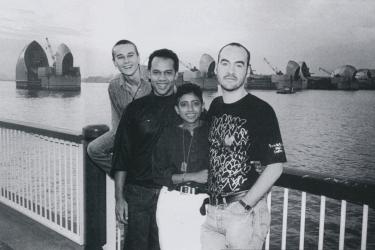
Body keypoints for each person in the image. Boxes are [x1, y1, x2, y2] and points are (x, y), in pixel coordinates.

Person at [201, 42, 287, 250]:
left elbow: (275, 166)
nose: (231, 71)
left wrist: (243, 205)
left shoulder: (261, 110)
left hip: (243, 214)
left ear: (247, 70)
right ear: (217, 68)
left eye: (239, 65)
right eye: (225, 63)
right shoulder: (215, 106)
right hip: (213, 213)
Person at [110, 48, 181, 250]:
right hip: (139, 193)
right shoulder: (135, 109)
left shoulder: (187, 108)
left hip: (172, 193)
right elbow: (122, 155)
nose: (162, 78)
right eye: (156, 72)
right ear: (148, 74)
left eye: (168, 73)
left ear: (175, 75)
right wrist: (119, 198)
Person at [153, 83, 209, 250]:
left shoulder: (212, 132)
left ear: (202, 106)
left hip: (201, 203)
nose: (190, 109)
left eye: (195, 103)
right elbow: (157, 174)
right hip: (171, 201)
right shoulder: (167, 134)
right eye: (184, 104)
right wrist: (192, 176)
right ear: (177, 109)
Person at [87, 39, 151, 174]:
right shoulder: (114, 85)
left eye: (130, 55)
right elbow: (117, 123)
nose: (126, 61)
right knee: (94, 149)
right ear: (115, 63)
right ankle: (127, 178)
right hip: (129, 133)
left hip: (156, 136)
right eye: (120, 57)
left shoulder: (155, 77)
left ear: (138, 57)